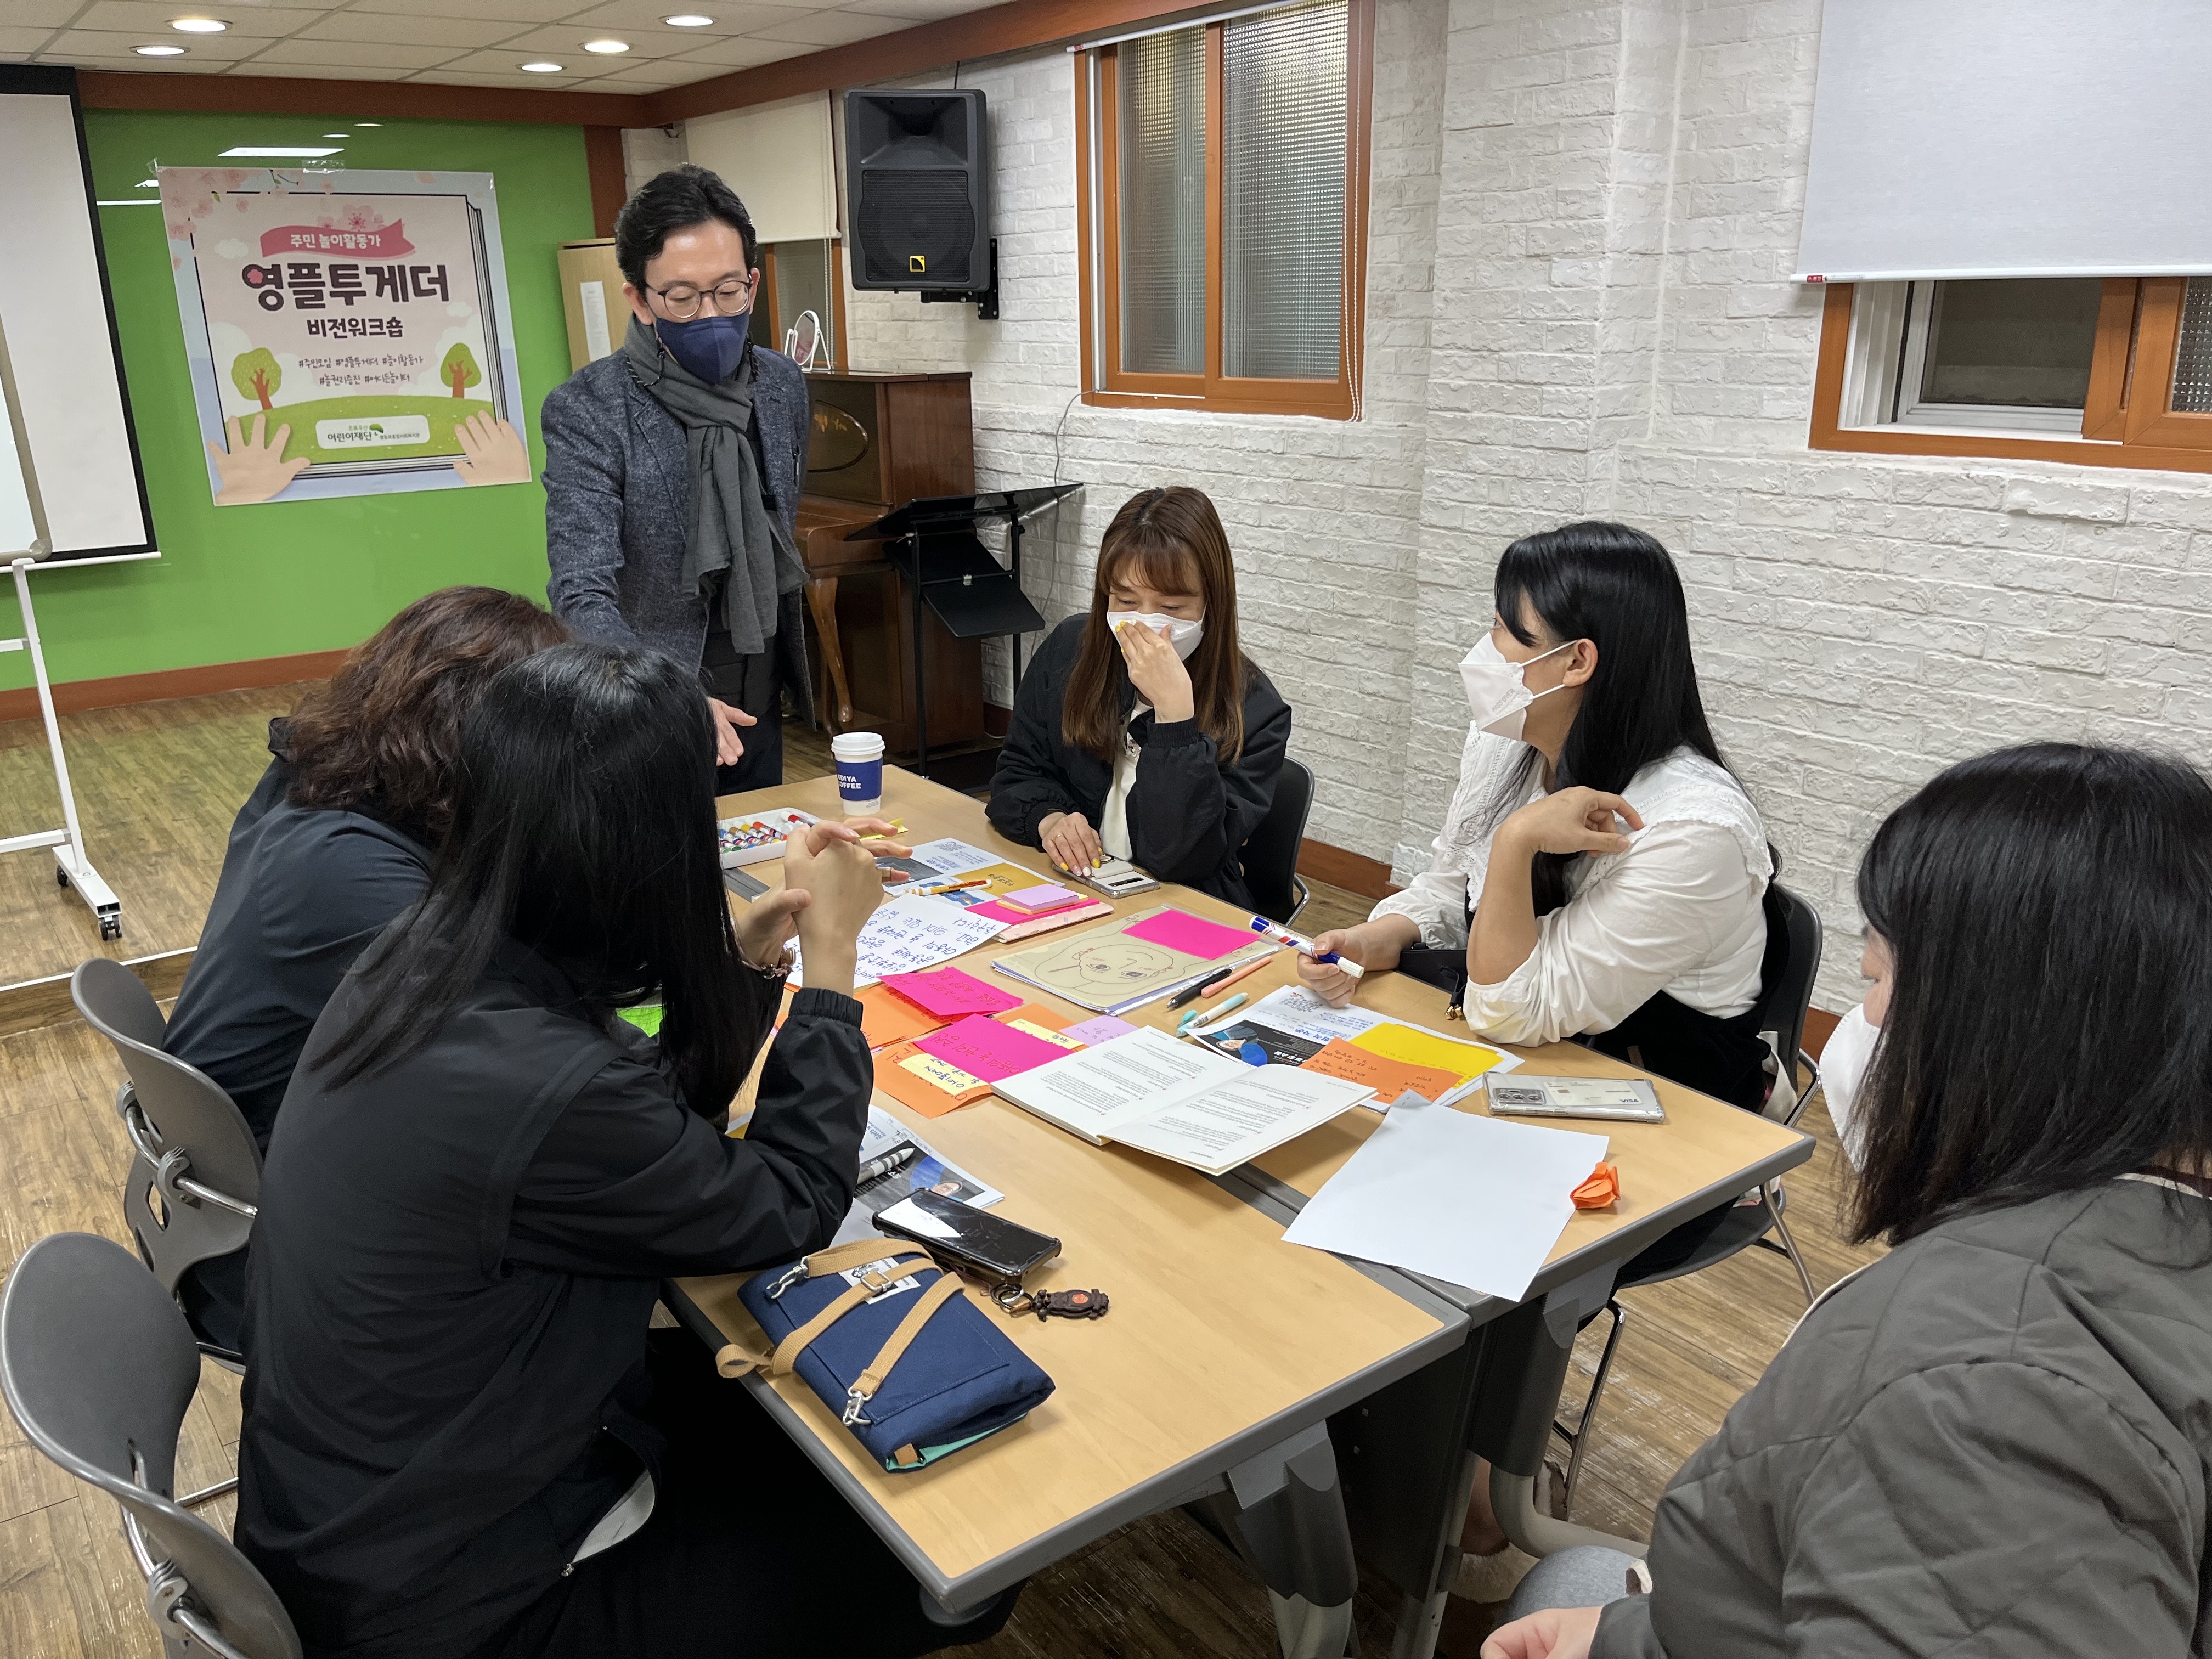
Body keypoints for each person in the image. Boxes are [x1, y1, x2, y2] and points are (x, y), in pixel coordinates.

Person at [233, 642, 997, 1659]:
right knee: (955, 1557)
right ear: (647, 850)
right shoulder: (541, 1082)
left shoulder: (424, 948)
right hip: (458, 1603)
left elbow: (641, 1120)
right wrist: (830, 970)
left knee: (790, 1408)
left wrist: (743, 961)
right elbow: (787, 1203)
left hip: (365, 1509)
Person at [1482, 742, 2212, 1659]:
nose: (1861, 1025)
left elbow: (1511, 1001)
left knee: (1562, 1581)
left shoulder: (1985, 1389)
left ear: (2012, 1023)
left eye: (1875, 978)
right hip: (1749, 1595)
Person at [160, 585, 565, 1353]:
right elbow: (524, 1052)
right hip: (290, 1270)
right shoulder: (345, 875)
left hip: (263, 1193)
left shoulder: (323, 792)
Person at [1297, 522, 1774, 1117]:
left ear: (1576, 661)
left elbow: (1511, 1010)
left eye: (1504, 630)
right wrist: (1374, 941)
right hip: (1521, 1062)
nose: (1485, 650)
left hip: (1662, 1103)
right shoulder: (1508, 745)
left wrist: (1516, 841)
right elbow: (1451, 889)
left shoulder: (1693, 832)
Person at [542, 163, 810, 793]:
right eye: (683, 298)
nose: (711, 314)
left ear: (753, 282)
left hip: (759, 678)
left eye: (728, 290)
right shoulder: (590, 408)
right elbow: (581, 590)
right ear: (639, 298)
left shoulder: (780, 385)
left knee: (763, 845)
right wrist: (669, 695)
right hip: (647, 697)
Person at [986, 486, 1291, 907]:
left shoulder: (1255, 709)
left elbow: (1179, 860)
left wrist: (1175, 718)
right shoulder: (1070, 651)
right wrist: (1050, 819)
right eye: (1126, 600)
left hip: (1184, 905)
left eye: (1171, 608)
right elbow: (1016, 775)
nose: (1145, 624)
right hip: (1082, 886)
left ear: (1212, 605)